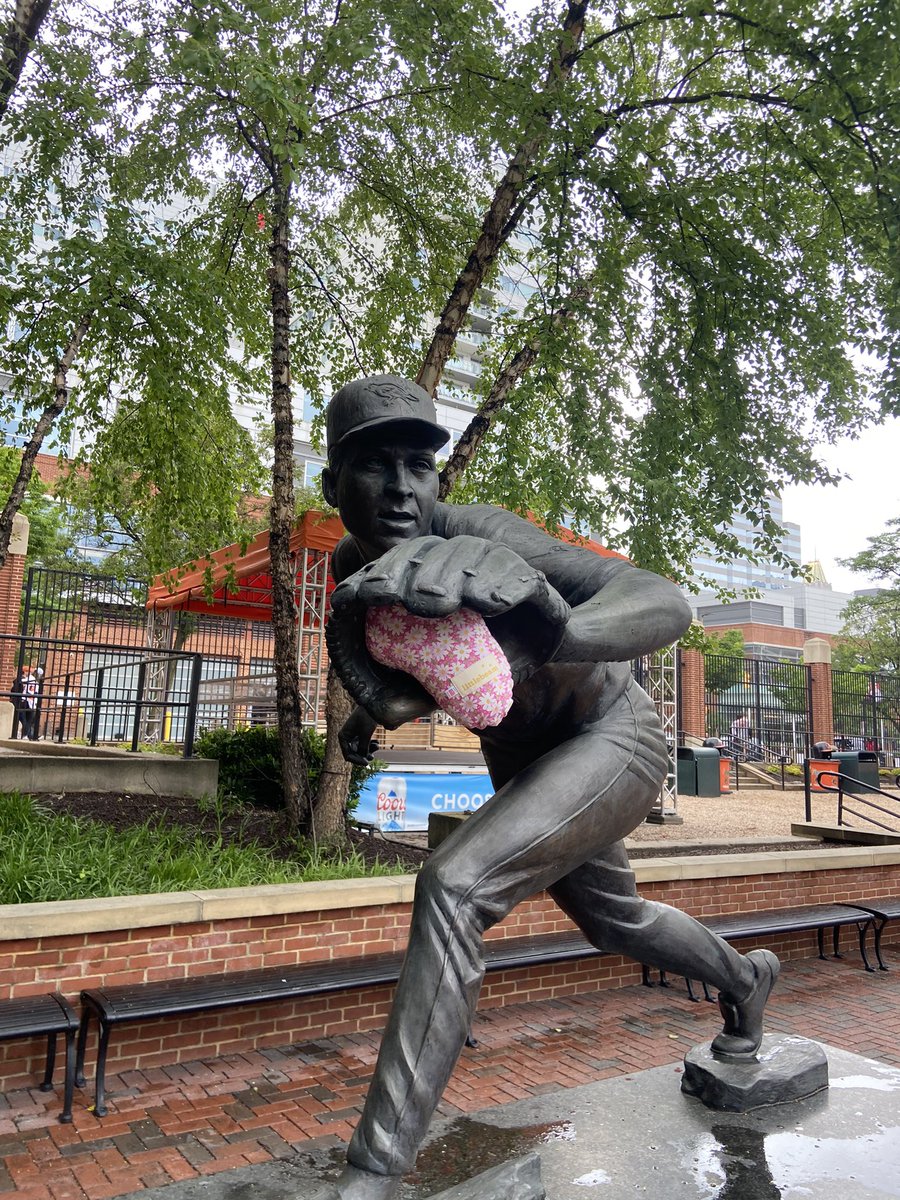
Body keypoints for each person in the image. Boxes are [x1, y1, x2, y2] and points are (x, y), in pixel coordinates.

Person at [315, 375, 780, 1200]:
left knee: (454, 885)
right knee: (618, 921)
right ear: (333, 486)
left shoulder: (485, 536)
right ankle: (746, 981)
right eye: (375, 466)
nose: (399, 489)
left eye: (419, 467)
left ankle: (373, 1173)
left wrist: (562, 626)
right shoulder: (357, 566)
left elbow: (661, 600)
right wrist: (365, 718)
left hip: (611, 736)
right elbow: (417, 670)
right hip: (526, 758)